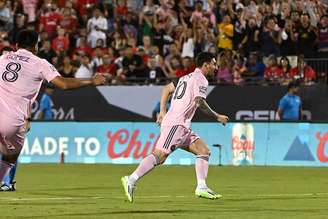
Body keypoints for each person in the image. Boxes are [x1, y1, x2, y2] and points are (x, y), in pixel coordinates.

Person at [0, 30, 106, 187]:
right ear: (36, 46)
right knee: (10, 156)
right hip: (12, 121)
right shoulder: (40, 63)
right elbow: (62, 83)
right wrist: (91, 80)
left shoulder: (3, 58)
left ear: (16, 45)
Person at [121, 52, 229, 202]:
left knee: (203, 151)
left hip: (182, 125)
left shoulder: (185, 77)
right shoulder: (201, 80)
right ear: (206, 65)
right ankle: (131, 179)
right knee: (160, 156)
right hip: (176, 124)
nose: (216, 67)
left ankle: (202, 187)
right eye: (214, 63)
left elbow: (166, 89)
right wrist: (217, 116)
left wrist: (162, 111)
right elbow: (200, 102)